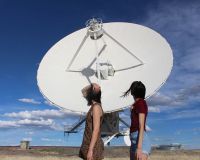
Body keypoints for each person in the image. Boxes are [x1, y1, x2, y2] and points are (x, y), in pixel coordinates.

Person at [122, 81, 151, 160]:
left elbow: (141, 126)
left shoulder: (141, 103)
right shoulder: (136, 104)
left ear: (133, 92)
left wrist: (139, 147)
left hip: (140, 140)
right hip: (134, 140)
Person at [79, 83, 104, 160]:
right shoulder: (94, 106)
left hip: (93, 147)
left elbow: (96, 129)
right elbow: (83, 91)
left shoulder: (96, 107)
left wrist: (90, 150)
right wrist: (93, 84)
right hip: (88, 144)